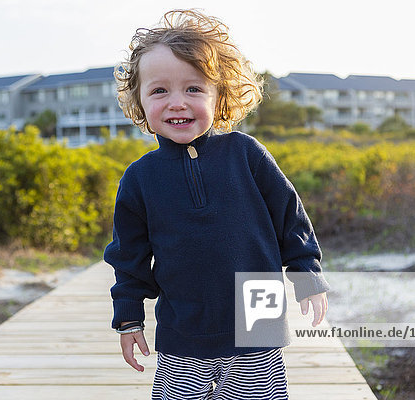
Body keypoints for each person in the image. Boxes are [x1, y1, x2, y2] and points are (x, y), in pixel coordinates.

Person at [104, 9, 331, 400]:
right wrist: (128, 317)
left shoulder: (246, 154)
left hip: (259, 310)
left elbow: (290, 215)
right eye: (160, 91)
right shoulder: (139, 177)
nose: (177, 102)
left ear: (218, 95)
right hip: (183, 323)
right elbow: (129, 256)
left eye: (193, 89)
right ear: (140, 102)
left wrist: (306, 272)